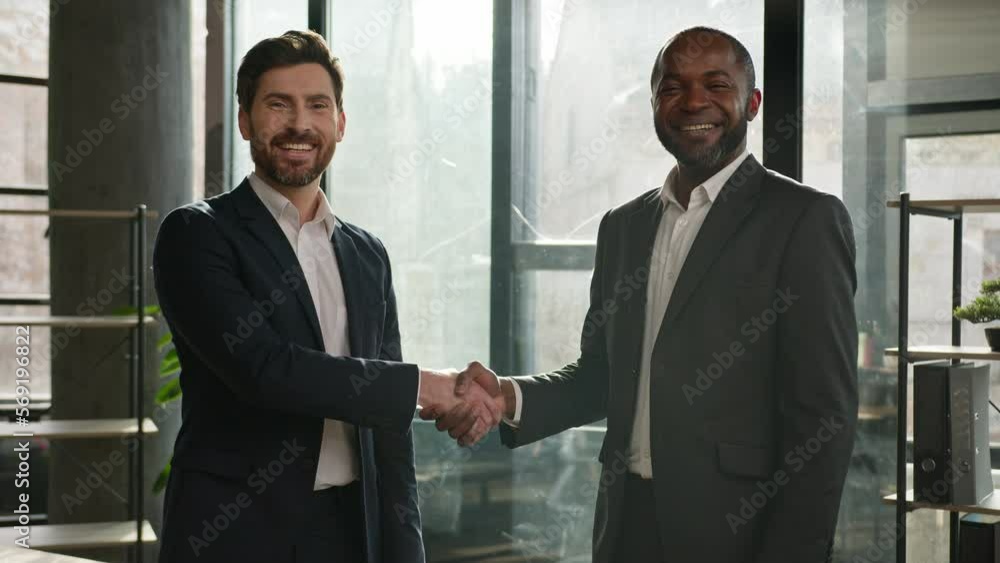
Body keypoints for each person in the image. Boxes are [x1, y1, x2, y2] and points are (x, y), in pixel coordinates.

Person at [425, 26, 859, 563]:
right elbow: (600, 377)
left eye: (716, 85)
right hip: (626, 526)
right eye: (672, 88)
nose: (693, 101)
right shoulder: (623, 227)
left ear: (752, 103)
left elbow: (823, 420)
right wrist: (506, 397)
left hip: (738, 534)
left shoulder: (804, 220)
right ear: (654, 105)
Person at [153, 30, 498, 563]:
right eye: (278, 104)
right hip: (235, 534)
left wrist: (406, 550)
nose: (299, 124)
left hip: (352, 532)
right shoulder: (197, 234)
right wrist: (426, 386)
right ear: (245, 120)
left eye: (318, 105)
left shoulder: (367, 253)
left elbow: (388, 436)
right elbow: (264, 370)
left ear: (340, 123)